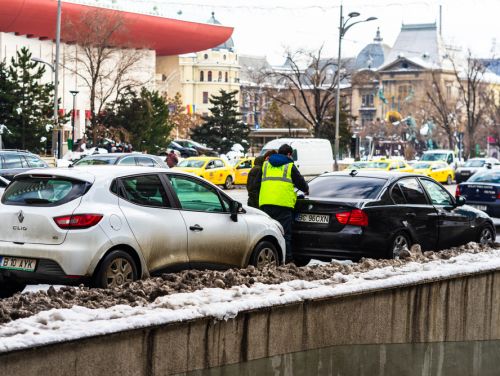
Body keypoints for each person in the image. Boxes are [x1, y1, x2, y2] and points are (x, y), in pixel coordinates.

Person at [259, 144, 309, 264]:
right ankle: (287, 260)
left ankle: (270, 258)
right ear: (289, 154)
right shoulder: (289, 165)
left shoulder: (266, 164)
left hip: (265, 203)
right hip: (282, 204)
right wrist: (306, 189)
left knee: (267, 232)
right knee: (285, 234)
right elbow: (301, 183)